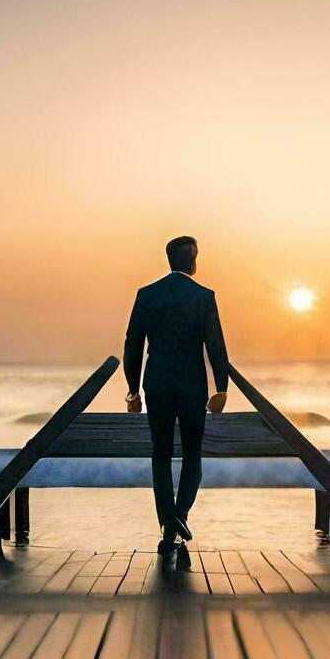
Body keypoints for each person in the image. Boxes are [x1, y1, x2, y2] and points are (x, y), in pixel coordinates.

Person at [123, 235, 229, 569]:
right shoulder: (203, 297)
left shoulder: (147, 295)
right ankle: (179, 516)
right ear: (192, 259)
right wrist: (221, 388)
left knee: (161, 454)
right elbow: (216, 346)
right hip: (193, 387)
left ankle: (168, 524)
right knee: (192, 454)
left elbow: (133, 345)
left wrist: (132, 389)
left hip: (157, 384)